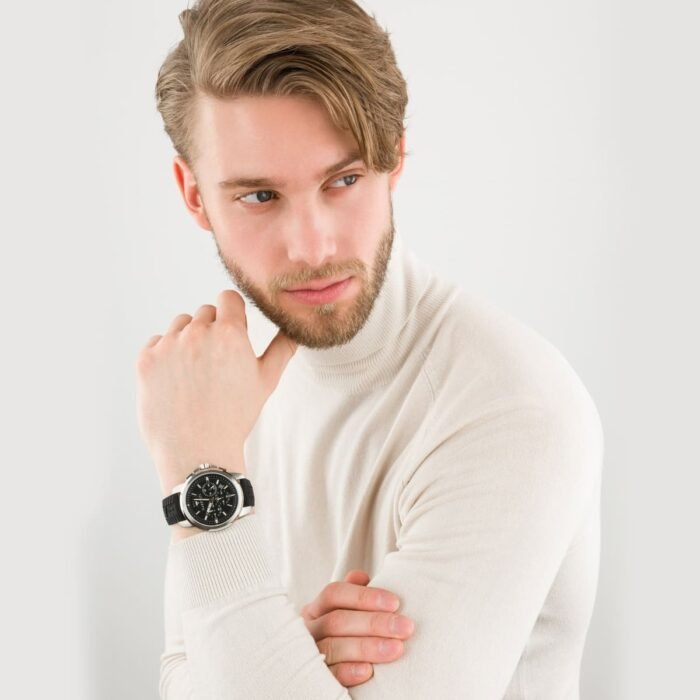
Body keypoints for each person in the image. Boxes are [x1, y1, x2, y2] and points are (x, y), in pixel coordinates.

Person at [137, 0, 605, 697]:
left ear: (395, 156)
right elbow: (178, 677)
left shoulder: (513, 408)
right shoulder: (222, 389)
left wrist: (202, 480)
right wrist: (285, 657)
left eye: (343, 181)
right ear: (194, 195)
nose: (312, 246)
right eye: (260, 196)